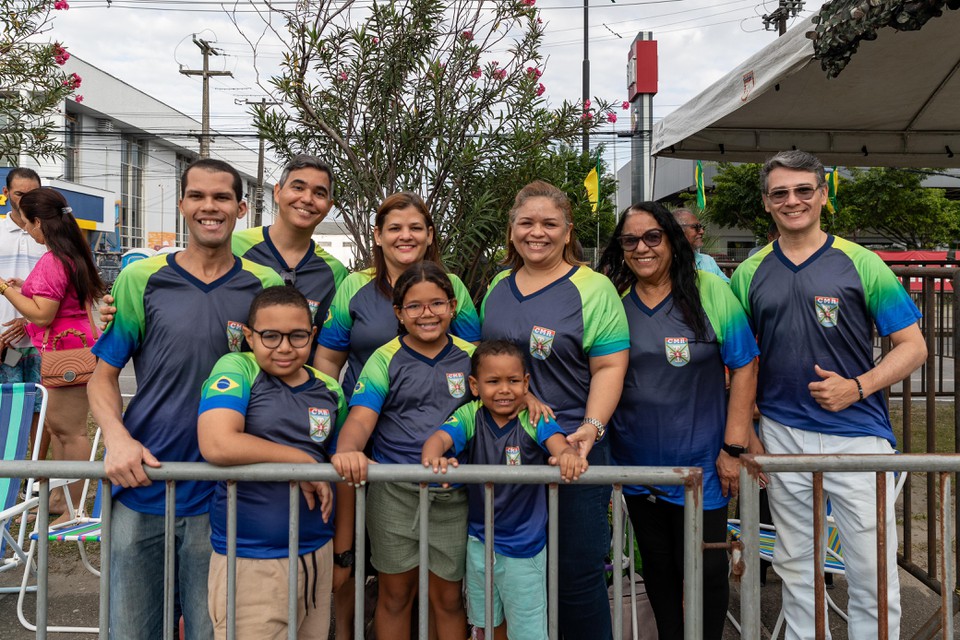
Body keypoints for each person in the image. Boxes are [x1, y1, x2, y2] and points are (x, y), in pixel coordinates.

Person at [730, 150, 926, 639]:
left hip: (857, 435)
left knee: (871, 568)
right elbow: (740, 361)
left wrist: (858, 386)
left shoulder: (863, 262)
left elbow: (913, 345)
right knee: (797, 566)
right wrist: (748, 428)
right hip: (780, 433)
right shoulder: (748, 274)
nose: (792, 201)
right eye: (780, 193)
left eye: (803, 190)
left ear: (822, 194)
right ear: (767, 202)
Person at [89, 158, 283, 639]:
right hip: (142, 481)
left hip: (224, 493)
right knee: (131, 631)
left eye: (221, 197)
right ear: (181, 204)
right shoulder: (140, 280)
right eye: (197, 195)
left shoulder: (266, 287)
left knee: (210, 631)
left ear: (241, 208)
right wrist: (116, 439)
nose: (208, 207)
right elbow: (102, 377)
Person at [597, 202, 759, 639]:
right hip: (637, 466)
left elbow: (744, 365)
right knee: (659, 569)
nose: (642, 248)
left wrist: (734, 446)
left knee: (706, 570)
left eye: (653, 236)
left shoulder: (709, 289)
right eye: (630, 240)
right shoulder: (613, 299)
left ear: (671, 239)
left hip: (700, 467)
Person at [479, 180, 629, 640]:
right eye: (526, 222)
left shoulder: (594, 288)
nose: (536, 232)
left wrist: (591, 427)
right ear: (511, 230)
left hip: (572, 454)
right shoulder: (498, 286)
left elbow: (608, 366)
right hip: (504, 456)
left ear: (568, 232)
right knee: (512, 576)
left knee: (576, 576)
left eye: (549, 223)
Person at [331, 262, 474, 640]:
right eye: (414, 306)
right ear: (399, 312)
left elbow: (503, 396)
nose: (427, 314)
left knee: (447, 599)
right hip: (393, 493)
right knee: (395, 595)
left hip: (454, 493)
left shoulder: (471, 356)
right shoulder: (384, 358)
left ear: (453, 305)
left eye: (437, 304)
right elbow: (362, 419)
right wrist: (348, 450)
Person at [198, 286, 346, 640]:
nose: (284, 347)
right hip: (251, 561)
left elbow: (341, 472)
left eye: (296, 336)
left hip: (317, 555)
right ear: (249, 336)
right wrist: (301, 461)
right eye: (270, 336)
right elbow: (217, 443)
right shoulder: (237, 367)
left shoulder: (329, 389)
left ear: (312, 335)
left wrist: (344, 553)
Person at [421, 339, 588, 640]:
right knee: (488, 624)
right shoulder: (470, 416)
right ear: (474, 385)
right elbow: (440, 438)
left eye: (513, 381)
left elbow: (559, 445)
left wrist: (567, 457)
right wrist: (434, 456)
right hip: (479, 542)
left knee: (527, 630)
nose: (504, 390)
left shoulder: (535, 419)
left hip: (524, 547)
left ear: (526, 383)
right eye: (493, 381)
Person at [7, 187, 104, 517]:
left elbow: (41, 314)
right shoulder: (71, 255)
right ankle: (63, 501)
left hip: (66, 356)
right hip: (72, 352)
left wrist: (6, 289)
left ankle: (73, 507)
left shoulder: (53, 260)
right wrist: (24, 288)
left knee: (70, 432)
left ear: (38, 222)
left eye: (26, 224)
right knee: (61, 432)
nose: (26, 230)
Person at [232, 155, 347, 360]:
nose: (307, 199)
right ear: (278, 192)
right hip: (236, 384)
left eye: (319, 193)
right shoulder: (234, 248)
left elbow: (330, 348)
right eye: (298, 187)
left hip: (300, 389)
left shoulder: (334, 273)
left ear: (329, 206)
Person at [0, 168, 47, 453]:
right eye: (20, 194)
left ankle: (35, 476)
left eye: (33, 193)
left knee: (39, 410)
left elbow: (60, 288)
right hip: (2, 341)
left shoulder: (49, 237)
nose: (27, 199)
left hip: (40, 340)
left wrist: (29, 319)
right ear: (6, 194)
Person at [673, 208, 730, 283]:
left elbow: (726, 286)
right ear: (678, 230)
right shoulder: (665, 263)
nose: (702, 231)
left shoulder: (708, 261)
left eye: (701, 227)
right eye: (696, 227)